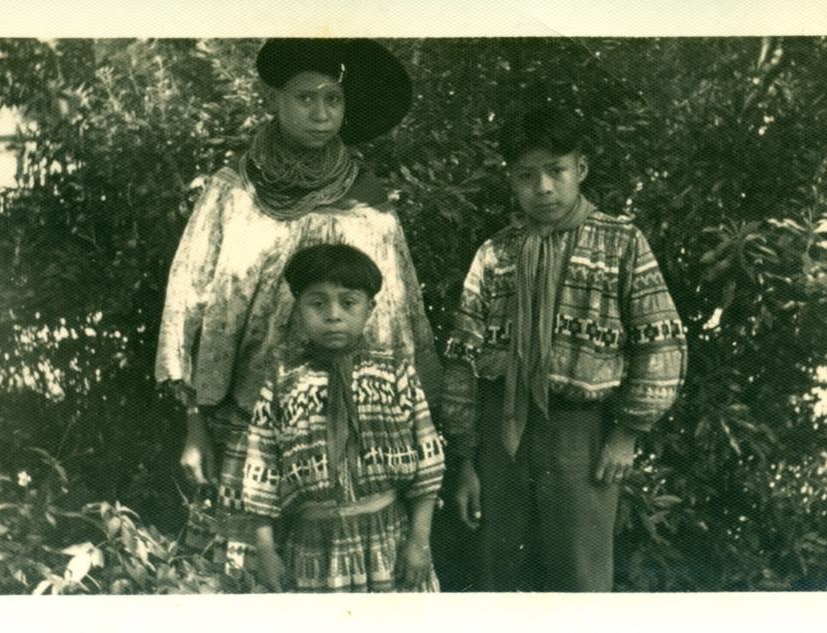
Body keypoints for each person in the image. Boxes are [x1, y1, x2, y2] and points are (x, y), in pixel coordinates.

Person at [154, 38, 440, 577]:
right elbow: (188, 300)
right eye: (306, 98)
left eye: (333, 99)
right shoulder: (232, 192)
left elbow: (400, 310)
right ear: (275, 101)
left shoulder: (366, 196)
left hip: (355, 428)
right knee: (246, 571)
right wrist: (193, 425)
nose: (321, 113)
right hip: (245, 420)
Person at [442, 106, 687, 592]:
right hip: (500, 431)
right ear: (511, 181)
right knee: (498, 573)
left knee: (580, 579)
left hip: (581, 434)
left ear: (582, 170)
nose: (544, 187)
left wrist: (627, 433)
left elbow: (661, 339)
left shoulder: (620, 243)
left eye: (556, 170)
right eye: (527, 175)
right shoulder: (496, 253)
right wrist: (466, 459)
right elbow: (462, 357)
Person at [227, 243, 444, 592]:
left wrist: (419, 541)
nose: (333, 315)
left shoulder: (394, 373)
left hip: (390, 540)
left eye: (348, 302)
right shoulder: (282, 382)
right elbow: (260, 472)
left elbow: (429, 466)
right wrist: (266, 549)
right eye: (317, 303)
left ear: (369, 308)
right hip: (314, 551)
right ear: (298, 310)